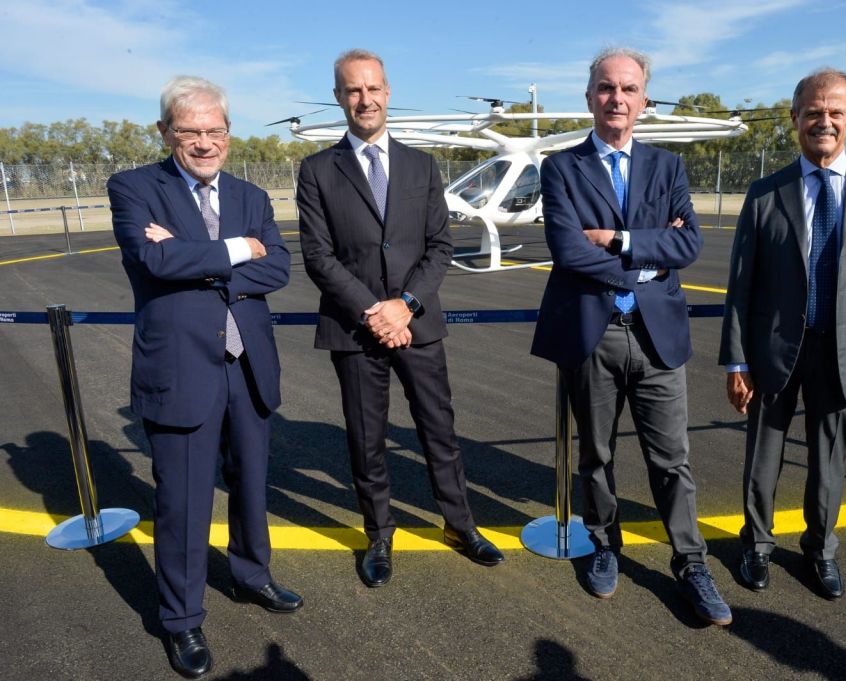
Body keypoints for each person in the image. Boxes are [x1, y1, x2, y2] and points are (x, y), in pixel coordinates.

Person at [108, 76, 302, 678]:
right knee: (184, 501)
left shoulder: (251, 195)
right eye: (189, 130)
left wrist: (197, 256)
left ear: (228, 133)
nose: (204, 142)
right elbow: (154, 260)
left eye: (214, 130)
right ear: (165, 132)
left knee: (250, 485)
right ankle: (181, 619)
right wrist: (242, 249)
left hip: (248, 364)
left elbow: (280, 269)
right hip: (181, 369)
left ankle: (251, 575)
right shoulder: (134, 187)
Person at [531, 47, 731, 626]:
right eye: (605, 87)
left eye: (628, 89)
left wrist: (617, 240)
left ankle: (691, 562)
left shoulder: (668, 167)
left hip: (656, 337)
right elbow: (568, 250)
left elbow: (688, 244)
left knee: (672, 460)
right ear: (589, 96)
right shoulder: (561, 168)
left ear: (644, 100)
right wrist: (648, 261)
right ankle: (604, 545)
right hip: (592, 335)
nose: (616, 98)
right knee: (596, 454)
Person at [297, 49, 504, 589]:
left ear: (388, 93)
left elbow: (440, 246)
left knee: (439, 430)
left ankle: (460, 524)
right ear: (339, 97)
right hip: (355, 328)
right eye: (353, 90)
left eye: (373, 88)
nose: (364, 99)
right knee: (366, 439)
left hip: (418, 322)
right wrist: (374, 310)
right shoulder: (317, 171)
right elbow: (318, 255)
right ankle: (379, 535)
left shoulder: (421, 166)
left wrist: (404, 305)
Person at [719, 68, 846, 599]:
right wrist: (736, 361)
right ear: (795, 117)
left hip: (845, 352)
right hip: (773, 350)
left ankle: (820, 549)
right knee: (762, 455)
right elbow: (740, 285)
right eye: (814, 112)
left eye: (835, 112)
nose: (825, 121)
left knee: (829, 461)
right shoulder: (765, 193)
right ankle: (756, 544)